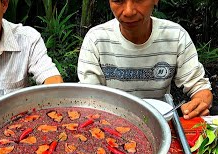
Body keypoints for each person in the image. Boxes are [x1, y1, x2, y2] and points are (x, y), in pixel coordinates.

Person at [77, 0, 212, 120]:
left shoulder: (176, 36)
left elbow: (200, 88)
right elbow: (90, 98)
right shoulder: (96, 40)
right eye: (118, 0)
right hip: (111, 124)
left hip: (159, 122)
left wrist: (200, 102)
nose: (129, 11)